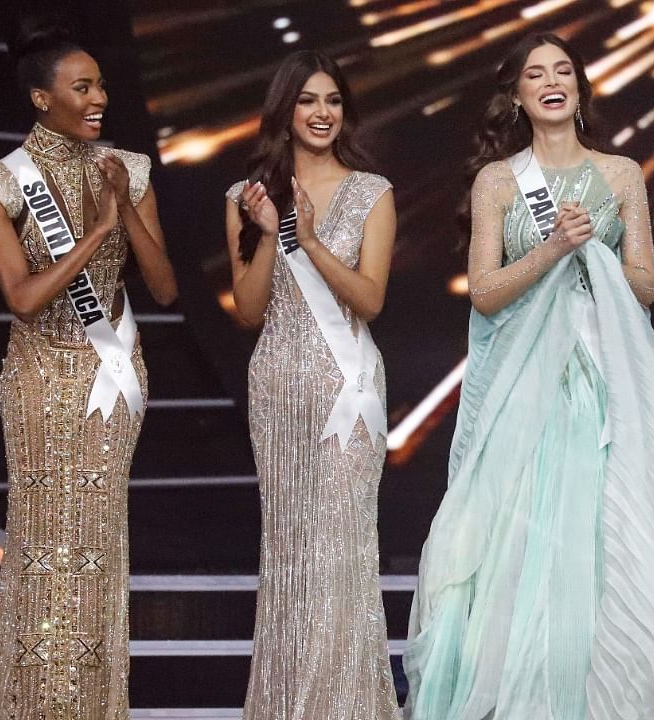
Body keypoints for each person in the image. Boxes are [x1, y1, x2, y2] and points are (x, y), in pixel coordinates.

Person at [403, 33, 654, 719]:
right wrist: (554, 247)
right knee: (520, 545)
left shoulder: (621, 175)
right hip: (525, 393)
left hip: (603, 386)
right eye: (535, 73)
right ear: (518, 95)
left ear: (582, 90)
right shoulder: (499, 181)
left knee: (609, 539)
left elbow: (644, 286)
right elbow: (485, 291)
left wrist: (595, 253)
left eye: (563, 71)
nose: (551, 81)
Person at [0, 17, 176, 720]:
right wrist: (98, 233)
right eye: (81, 87)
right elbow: (23, 298)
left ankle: (90, 705)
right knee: (42, 544)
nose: (99, 99)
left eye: (102, 86)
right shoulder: (0, 184)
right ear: (40, 98)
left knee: (98, 543)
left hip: (111, 370)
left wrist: (125, 211)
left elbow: (165, 287)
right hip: (38, 380)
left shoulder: (129, 169)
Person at [224, 50, 400, 719]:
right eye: (308, 101)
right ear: (284, 111)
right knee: (291, 551)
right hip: (278, 387)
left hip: (346, 388)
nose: (323, 113)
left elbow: (371, 299)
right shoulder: (247, 198)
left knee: (341, 549)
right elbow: (247, 310)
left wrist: (311, 240)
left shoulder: (372, 191)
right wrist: (271, 232)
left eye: (332, 100)